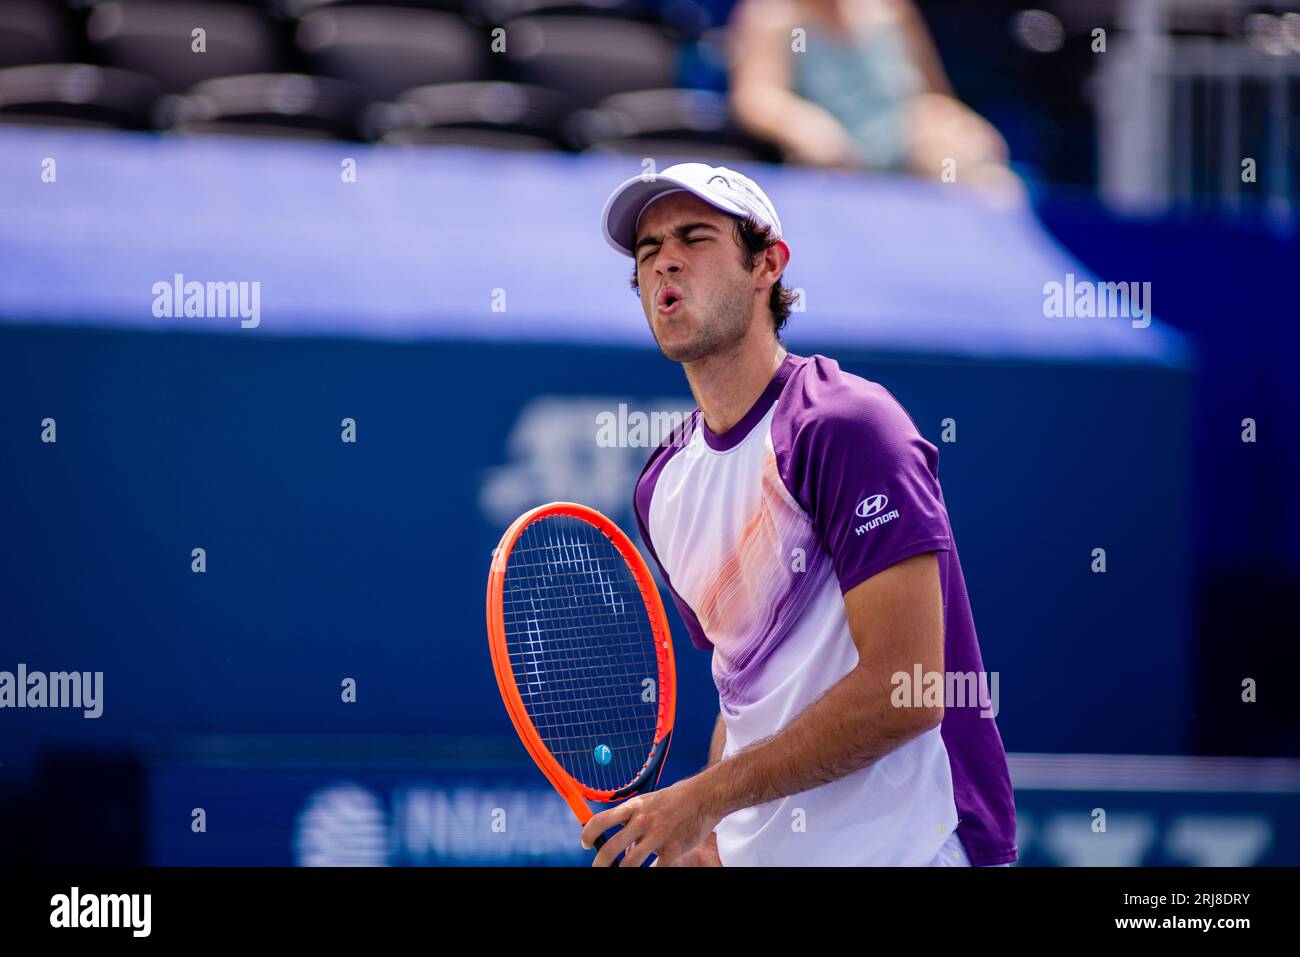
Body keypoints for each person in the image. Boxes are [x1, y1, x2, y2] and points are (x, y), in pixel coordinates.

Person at [584, 162, 1018, 866]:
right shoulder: (660, 487)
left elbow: (909, 690)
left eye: (695, 237)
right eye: (646, 250)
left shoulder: (846, 424)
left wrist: (703, 799)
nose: (665, 259)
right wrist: (714, 840)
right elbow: (746, 689)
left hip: (918, 847)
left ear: (768, 265)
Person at [727, 0, 1022, 201]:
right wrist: (805, 126)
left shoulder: (892, 11)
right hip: (832, 160)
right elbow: (756, 99)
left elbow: (933, 95)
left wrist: (962, 126)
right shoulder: (774, 15)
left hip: (907, 152)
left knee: (996, 185)